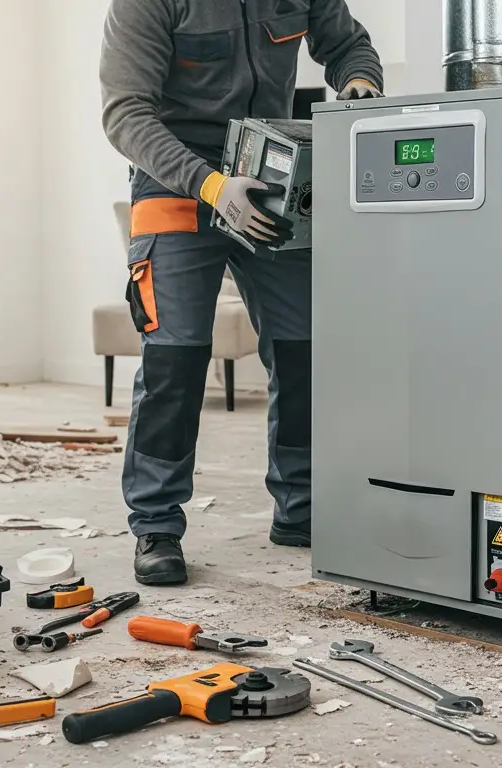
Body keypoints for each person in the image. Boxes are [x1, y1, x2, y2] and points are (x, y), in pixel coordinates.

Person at [100, 0, 384, 586]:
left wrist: (359, 82)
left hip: (271, 174)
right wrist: (209, 184)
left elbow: (349, 45)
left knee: (306, 348)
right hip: (176, 180)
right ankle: (155, 523)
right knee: (174, 359)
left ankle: (300, 508)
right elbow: (126, 115)